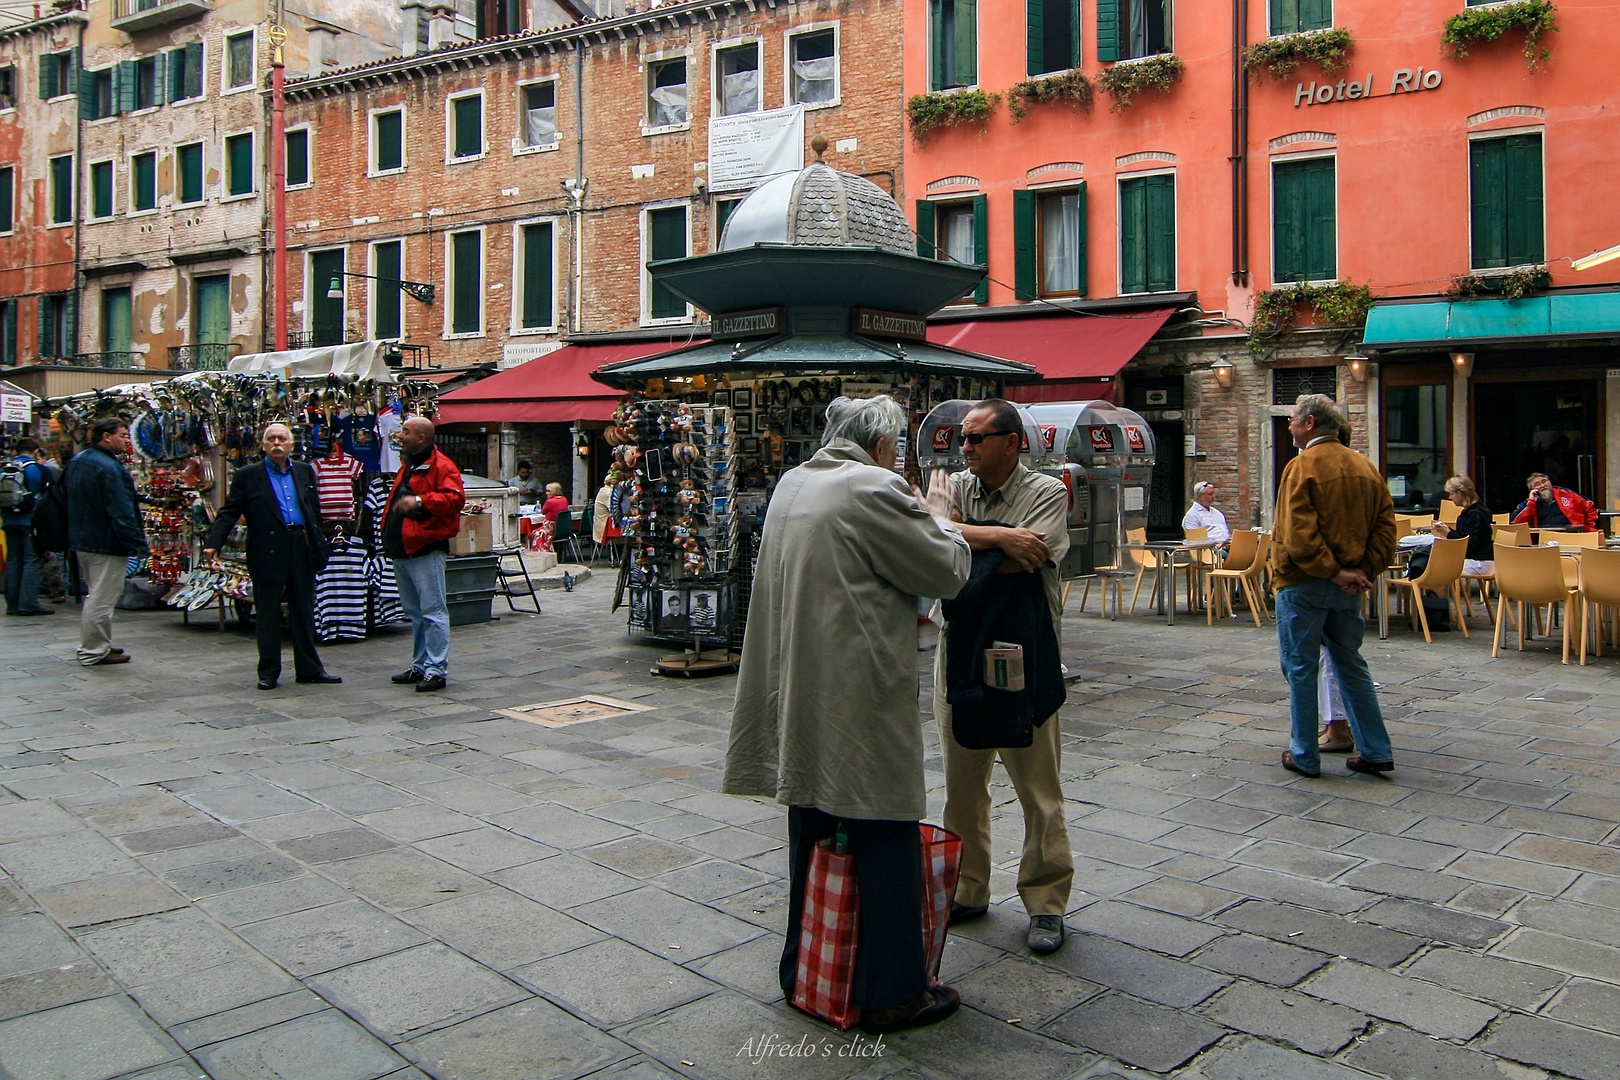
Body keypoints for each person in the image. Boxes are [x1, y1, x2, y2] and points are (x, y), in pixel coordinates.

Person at [726, 395, 971, 1035]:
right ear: (884, 444)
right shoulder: (874, 486)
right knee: (883, 828)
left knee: (811, 827)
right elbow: (945, 571)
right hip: (855, 694)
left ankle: (806, 970)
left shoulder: (793, 482)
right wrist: (941, 516)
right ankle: (892, 993)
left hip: (799, 689)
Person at [933, 399, 1073, 955]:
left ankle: (1045, 902)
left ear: (1012, 441)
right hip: (961, 651)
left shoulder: (1047, 493)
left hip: (1025, 652)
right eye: (962, 439)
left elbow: (1028, 558)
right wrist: (995, 538)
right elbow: (934, 549)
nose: (965, 448)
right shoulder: (956, 488)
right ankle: (969, 888)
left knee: (1038, 787)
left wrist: (956, 533)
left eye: (976, 438)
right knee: (961, 785)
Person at [1271, 394, 1397, 778]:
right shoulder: (1365, 467)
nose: (1289, 425)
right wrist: (1361, 570)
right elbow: (1386, 527)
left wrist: (1333, 571)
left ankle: (1304, 753)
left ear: (1309, 423)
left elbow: (1299, 535)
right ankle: (1376, 749)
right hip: (1347, 587)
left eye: (1293, 418)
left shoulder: (1302, 466)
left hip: (1305, 582)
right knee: (1350, 663)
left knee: (1301, 667)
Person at [203, 424, 340, 691]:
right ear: (263, 445)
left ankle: (309, 668)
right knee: (267, 612)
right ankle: (268, 671)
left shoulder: (304, 471)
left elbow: (313, 508)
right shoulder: (247, 475)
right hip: (267, 548)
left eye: (282, 439)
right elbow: (229, 511)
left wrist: (320, 541)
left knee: (303, 608)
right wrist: (213, 543)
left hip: (300, 544)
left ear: (291, 445)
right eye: (271, 439)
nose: (277, 443)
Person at [385, 416, 465, 692]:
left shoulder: (441, 466)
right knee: (415, 611)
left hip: (425, 547)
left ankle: (436, 669)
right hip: (404, 548)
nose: (400, 435)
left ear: (422, 438)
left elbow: (456, 499)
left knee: (432, 610)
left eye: (405, 432)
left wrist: (419, 500)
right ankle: (420, 665)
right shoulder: (409, 463)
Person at [66, 418, 148, 666]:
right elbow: (121, 510)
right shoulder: (110, 468)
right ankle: (93, 650)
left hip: (84, 539)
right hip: (106, 542)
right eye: (122, 435)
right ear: (106, 437)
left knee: (97, 594)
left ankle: (99, 643)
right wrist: (137, 543)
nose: (127, 440)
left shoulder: (79, 461)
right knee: (102, 598)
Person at [3, 438, 53, 616]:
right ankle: (28, 603)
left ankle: (12, 604)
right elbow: (49, 498)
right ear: (36, 451)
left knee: (13, 560)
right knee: (32, 561)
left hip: (9, 521)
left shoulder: (4, 470)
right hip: (31, 522)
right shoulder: (39, 470)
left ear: (16, 451)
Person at [1432, 475, 1494, 576]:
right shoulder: (1469, 512)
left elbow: (1469, 544)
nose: (1450, 498)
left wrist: (1448, 533)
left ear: (1461, 493)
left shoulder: (1476, 514)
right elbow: (1464, 537)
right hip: (1472, 559)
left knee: (1440, 569)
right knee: (1435, 565)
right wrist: (1447, 530)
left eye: (1452, 494)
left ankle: (1448, 592)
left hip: (1481, 561)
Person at [1512, 472, 1597, 532]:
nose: (1542, 485)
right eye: (1537, 484)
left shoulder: (1566, 494)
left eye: (1544, 481)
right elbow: (1516, 523)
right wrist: (1531, 503)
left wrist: (1589, 529)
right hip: (1543, 539)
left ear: (1550, 482)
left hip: (1570, 536)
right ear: (1532, 490)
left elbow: (1590, 507)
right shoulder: (1529, 504)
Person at [1181, 480, 1232, 549]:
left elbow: (1226, 532)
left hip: (1227, 545)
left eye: (1213, 493)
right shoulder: (1192, 516)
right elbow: (1193, 541)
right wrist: (1216, 543)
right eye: (1210, 494)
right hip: (1209, 550)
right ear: (1199, 497)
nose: (1213, 496)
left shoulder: (1217, 513)